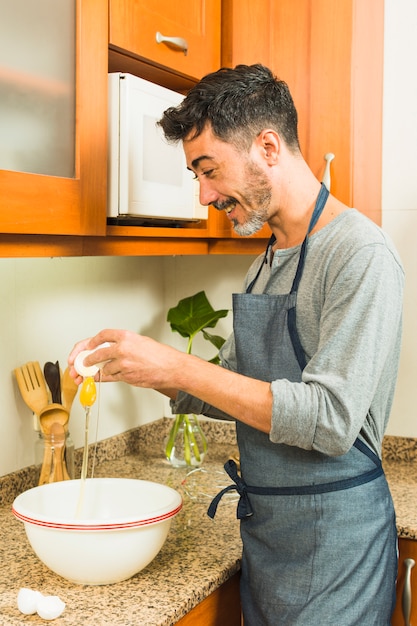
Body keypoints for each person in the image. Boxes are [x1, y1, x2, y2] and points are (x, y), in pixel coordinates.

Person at [69, 64, 404, 625]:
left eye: (209, 170)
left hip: (339, 545)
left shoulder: (359, 254)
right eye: (195, 176)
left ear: (267, 147)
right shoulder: (264, 264)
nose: (204, 195)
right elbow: (232, 386)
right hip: (270, 541)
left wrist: (179, 365)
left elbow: (330, 418)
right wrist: (147, 368)